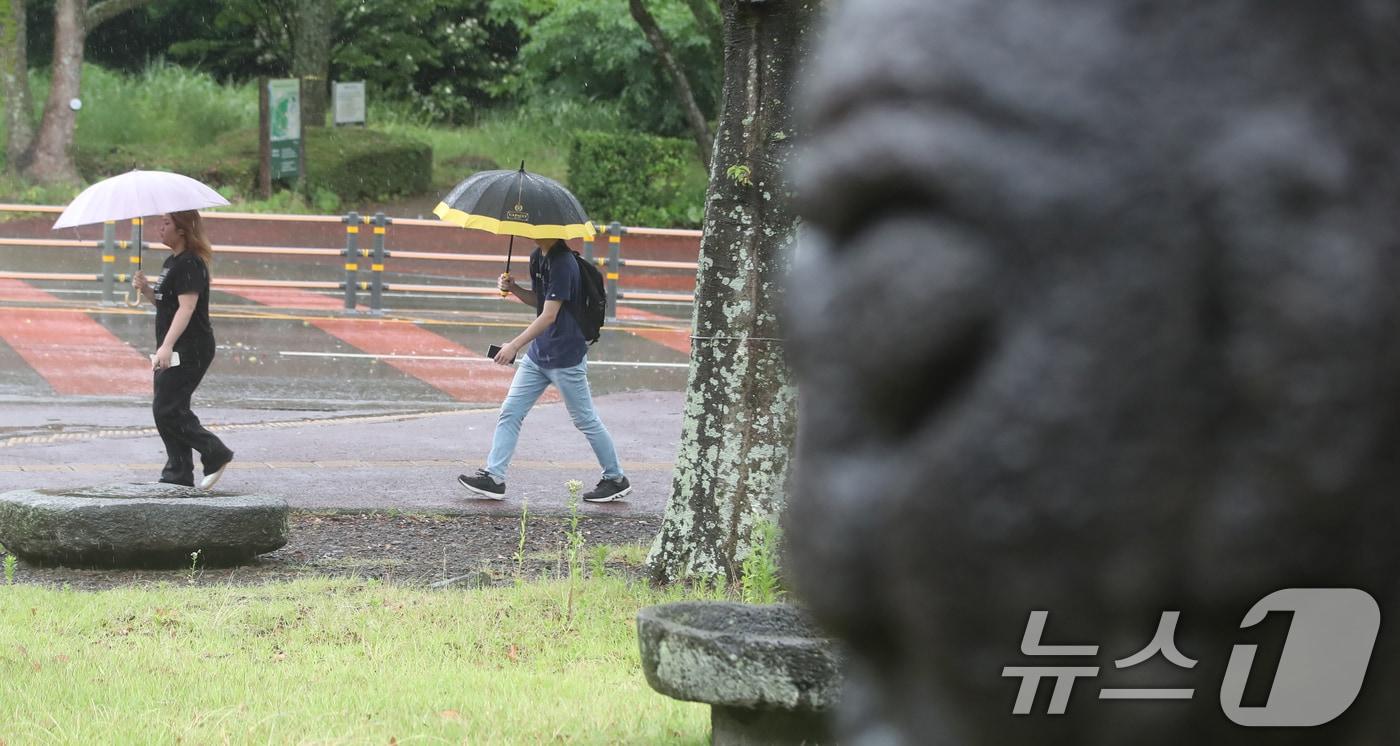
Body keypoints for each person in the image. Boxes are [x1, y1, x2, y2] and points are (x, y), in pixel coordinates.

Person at [457, 237, 631, 503]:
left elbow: (550, 314)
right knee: (511, 411)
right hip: (540, 353)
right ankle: (494, 477)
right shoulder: (538, 257)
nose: (529, 231)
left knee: (585, 420)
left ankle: (616, 478)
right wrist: (515, 288)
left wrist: (514, 345)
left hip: (565, 355)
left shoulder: (563, 264)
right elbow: (541, 301)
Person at [132, 210, 234, 489]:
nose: (159, 228)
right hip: (174, 346)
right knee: (166, 407)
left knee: (168, 408)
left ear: (182, 230)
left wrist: (166, 346)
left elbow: (187, 309)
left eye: (166, 223)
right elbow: (168, 305)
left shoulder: (190, 263)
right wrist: (147, 290)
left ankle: (215, 451)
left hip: (191, 347)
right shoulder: (172, 262)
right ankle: (178, 472)